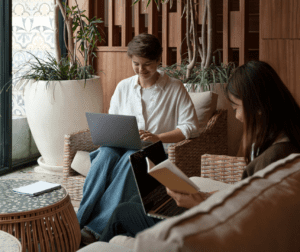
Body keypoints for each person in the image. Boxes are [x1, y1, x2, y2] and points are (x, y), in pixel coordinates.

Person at [95, 60, 300, 242]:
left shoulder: (271, 160)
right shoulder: (287, 143)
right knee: (138, 201)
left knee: (123, 212)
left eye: (236, 107)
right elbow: (248, 201)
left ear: (259, 108)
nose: (237, 116)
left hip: (211, 232)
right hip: (219, 216)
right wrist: (206, 196)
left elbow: (241, 223)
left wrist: (196, 204)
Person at [77, 33, 200, 245]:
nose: (141, 70)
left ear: (159, 60)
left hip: (153, 152)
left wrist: (158, 137)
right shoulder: (124, 87)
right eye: (136, 64)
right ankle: (77, 223)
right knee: (104, 155)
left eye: (147, 64)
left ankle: (95, 230)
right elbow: (113, 119)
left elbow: (190, 127)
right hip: (119, 146)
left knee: (130, 158)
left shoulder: (175, 87)